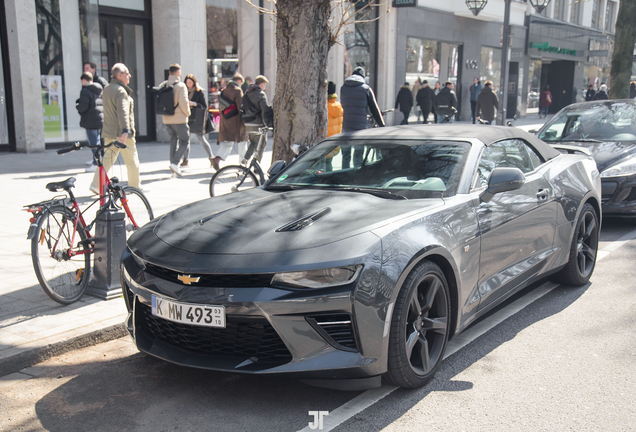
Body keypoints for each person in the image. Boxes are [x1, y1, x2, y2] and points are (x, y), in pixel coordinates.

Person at [89, 63, 141, 194]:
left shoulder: (107, 88)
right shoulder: (121, 91)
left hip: (109, 131)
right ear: (119, 75)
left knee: (107, 159)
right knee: (132, 160)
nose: (129, 75)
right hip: (122, 134)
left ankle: (96, 184)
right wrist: (125, 130)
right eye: (127, 73)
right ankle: (135, 186)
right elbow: (122, 112)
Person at [340, 67, 384, 168]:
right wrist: (382, 125)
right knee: (358, 154)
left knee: (345, 155)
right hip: (359, 127)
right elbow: (375, 109)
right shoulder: (366, 89)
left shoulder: (343, 87)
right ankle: (357, 177)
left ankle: (343, 175)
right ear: (363, 77)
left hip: (345, 125)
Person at [160, 63, 191, 176]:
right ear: (179, 73)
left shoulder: (164, 85)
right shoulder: (181, 86)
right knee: (185, 140)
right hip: (179, 119)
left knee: (173, 141)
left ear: (169, 73)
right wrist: (188, 113)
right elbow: (184, 103)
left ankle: (173, 166)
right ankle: (175, 163)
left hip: (167, 118)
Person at [213, 73, 249, 169]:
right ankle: (243, 164)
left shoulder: (224, 91)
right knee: (242, 142)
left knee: (228, 142)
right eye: (241, 83)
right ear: (238, 82)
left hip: (226, 120)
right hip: (237, 122)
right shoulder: (238, 91)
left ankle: (217, 158)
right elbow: (241, 107)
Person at [182, 74, 217, 169]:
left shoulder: (199, 92)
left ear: (194, 82)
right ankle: (185, 160)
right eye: (187, 83)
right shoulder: (184, 92)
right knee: (186, 138)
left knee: (201, 138)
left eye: (190, 82)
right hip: (187, 116)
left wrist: (195, 104)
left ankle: (211, 158)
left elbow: (204, 106)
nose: (188, 85)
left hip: (197, 118)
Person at [241, 75, 274, 162]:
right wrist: (268, 124)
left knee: (254, 142)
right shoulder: (261, 94)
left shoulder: (247, 93)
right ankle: (256, 165)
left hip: (247, 123)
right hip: (257, 123)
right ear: (262, 84)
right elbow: (264, 111)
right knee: (262, 144)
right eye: (265, 84)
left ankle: (246, 158)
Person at [76, 71, 103, 173]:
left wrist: (78, 106)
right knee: (97, 141)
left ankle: (96, 163)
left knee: (93, 143)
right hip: (99, 118)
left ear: (83, 80)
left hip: (90, 120)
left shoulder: (85, 90)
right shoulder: (99, 89)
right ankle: (96, 160)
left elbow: (83, 106)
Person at [326, 81, 343, 171]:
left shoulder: (325, 106)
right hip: (334, 141)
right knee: (329, 164)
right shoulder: (338, 106)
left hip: (324, 142)